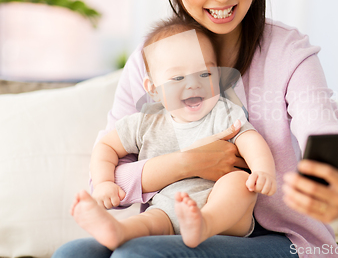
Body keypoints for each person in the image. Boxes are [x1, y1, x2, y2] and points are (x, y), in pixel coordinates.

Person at [53, 0, 338, 257]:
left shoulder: (288, 53)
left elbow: (323, 133)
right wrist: (190, 163)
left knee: (137, 255)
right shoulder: (152, 59)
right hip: (179, 221)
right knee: (75, 253)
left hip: (285, 240)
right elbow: (109, 177)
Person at [71, 18, 277, 250]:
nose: (193, 85)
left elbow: (250, 139)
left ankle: (205, 223)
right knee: (149, 221)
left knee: (240, 182)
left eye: (205, 75)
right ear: (153, 89)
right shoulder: (145, 122)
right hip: (169, 208)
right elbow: (106, 147)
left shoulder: (223, 111)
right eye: (178, 78)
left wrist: (262, 171)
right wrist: (104, 183)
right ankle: (119, 232)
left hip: (225, 215)